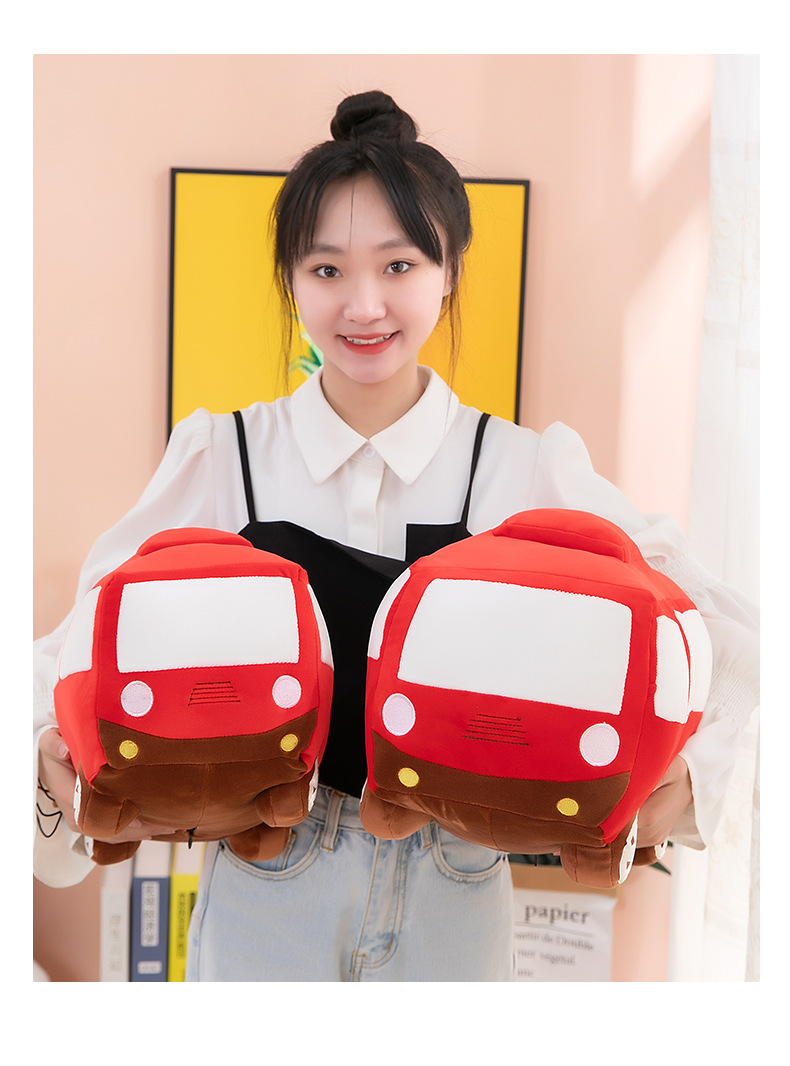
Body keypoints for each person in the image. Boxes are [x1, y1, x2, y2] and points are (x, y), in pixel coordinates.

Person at [34, 90, 759, 981]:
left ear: (448, 272)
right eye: (327, 270)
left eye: (400, 265)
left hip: (459, 881)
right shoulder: (224, 455)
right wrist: (56, 772)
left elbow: (714, 631)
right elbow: (78, 645)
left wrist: (684, 782)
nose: (364, 304)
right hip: (268, 877)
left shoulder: (517, 466)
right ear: (290, 280)